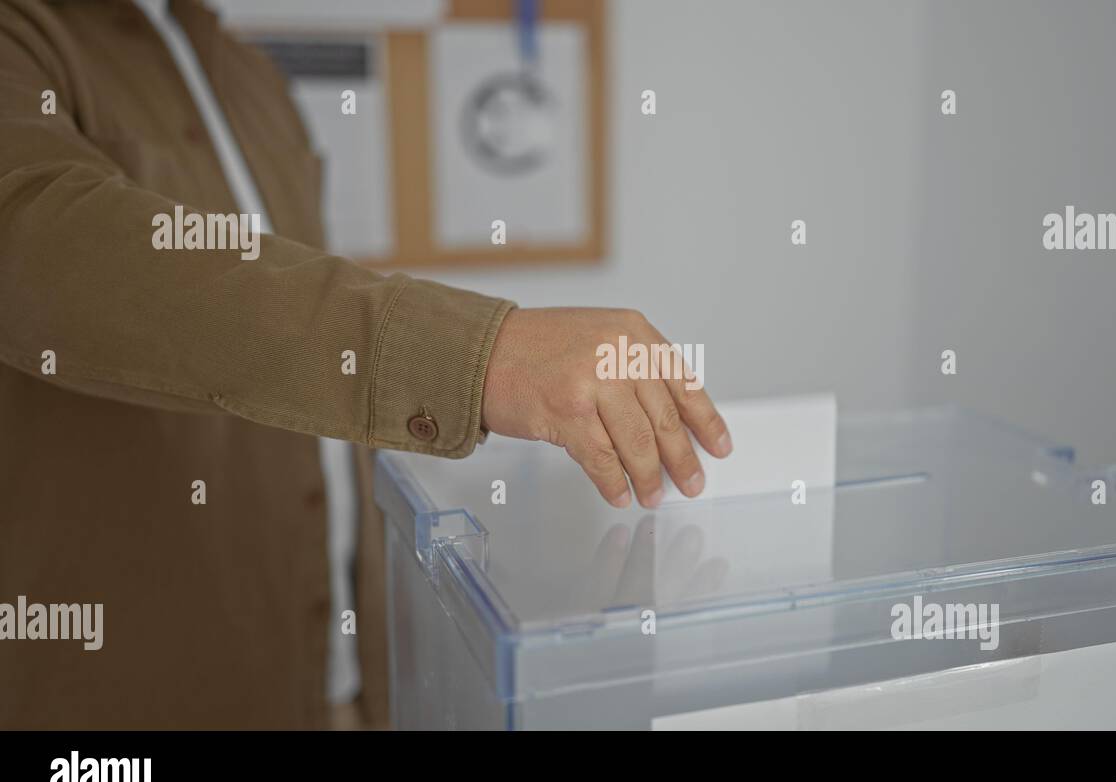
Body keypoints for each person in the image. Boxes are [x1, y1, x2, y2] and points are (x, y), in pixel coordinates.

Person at [0, 0, 729, 729]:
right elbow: (43, 247)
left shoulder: (244, 72)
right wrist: (478, 354)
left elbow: (288, 341)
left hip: (341, 682)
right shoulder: (24, 36)